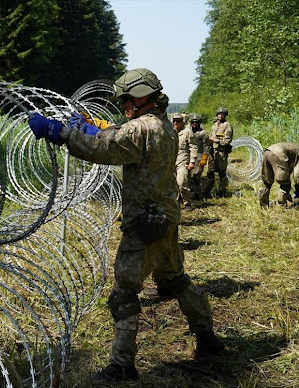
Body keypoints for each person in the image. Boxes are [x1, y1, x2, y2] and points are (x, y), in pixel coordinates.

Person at [27, 68, 224, 383]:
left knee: (124, 294)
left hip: (143, 224)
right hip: (167, 217)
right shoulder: (164, 126)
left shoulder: (140, 129)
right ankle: (208, 339)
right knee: (176, 281)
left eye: (126, 100)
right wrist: (89, 129)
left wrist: (60, 133)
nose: (124, 106)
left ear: (142, 97)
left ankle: (122, 366)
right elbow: (116, 136)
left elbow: (104, 147)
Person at [204, 107, 234, 198]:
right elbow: (210, 135)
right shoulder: (214, 125)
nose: (220, 116)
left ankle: (222, 191)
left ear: (225, 115)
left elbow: (227, 140)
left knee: (221, 173)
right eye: (219, 114)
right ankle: (207, 191)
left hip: (221, 152)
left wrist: (215, 141)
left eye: (222, 114)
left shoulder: (227, 125)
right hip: (213, 152)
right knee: (210, 172)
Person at [258, 142, 299, 207]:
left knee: (267, 183)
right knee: (285, 185)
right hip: (279, 154)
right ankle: (280, 207)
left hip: (268, 151)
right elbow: (297, 176)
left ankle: (263, 205)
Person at [173, 113, 198, 210]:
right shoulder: (170, 132)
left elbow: (193, 146)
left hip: (183, 161)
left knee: (181, 182)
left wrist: (192, 161)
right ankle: (176, 203)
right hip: (172, 162)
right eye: (174, 120)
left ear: (182, 122)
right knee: (173, 184)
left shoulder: (187, 132)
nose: (175, 123)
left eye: (178, 121)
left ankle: (187, 202)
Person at [189, 114, 211, 200]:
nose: (194, 124)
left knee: (196, 176)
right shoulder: (188, 131)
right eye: (193, 122)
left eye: (196, 122)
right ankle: (190, 192)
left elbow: (206, 147)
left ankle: (197, 193)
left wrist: (204, 159)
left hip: (199, 156)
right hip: (190, 155)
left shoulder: (203, 133)